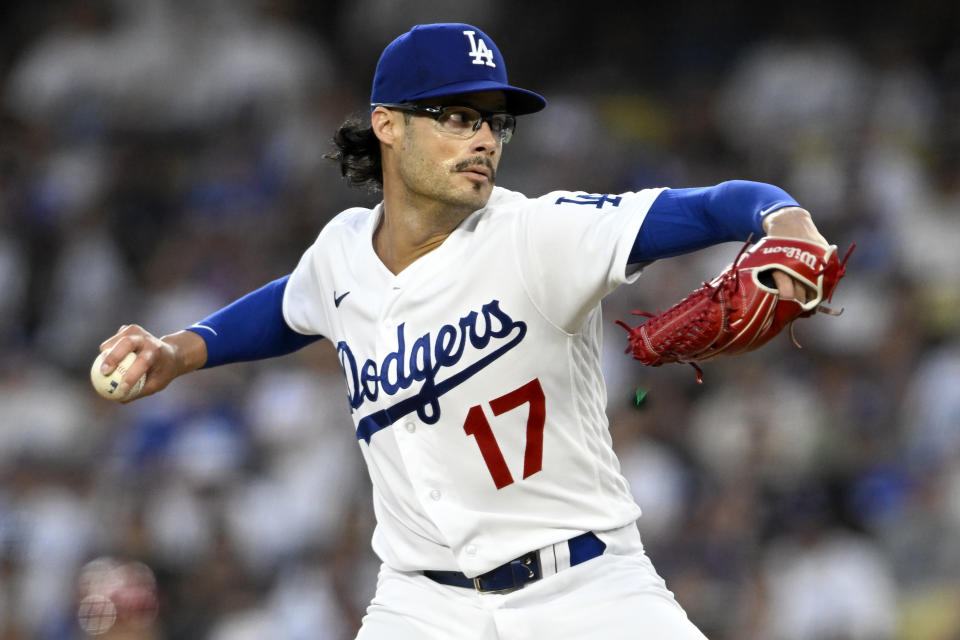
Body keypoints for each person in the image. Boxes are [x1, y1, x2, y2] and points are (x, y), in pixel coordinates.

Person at [97, 23, 830, 639]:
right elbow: (293, 305)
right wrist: (178, 350)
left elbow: (707, 207)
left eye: (494, 120)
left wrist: (783, 218)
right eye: (456, 116)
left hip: (586, 591)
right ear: (387, 124)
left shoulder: (538, 235)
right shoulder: (343, 250)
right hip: (421, 604)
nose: (483, 137)